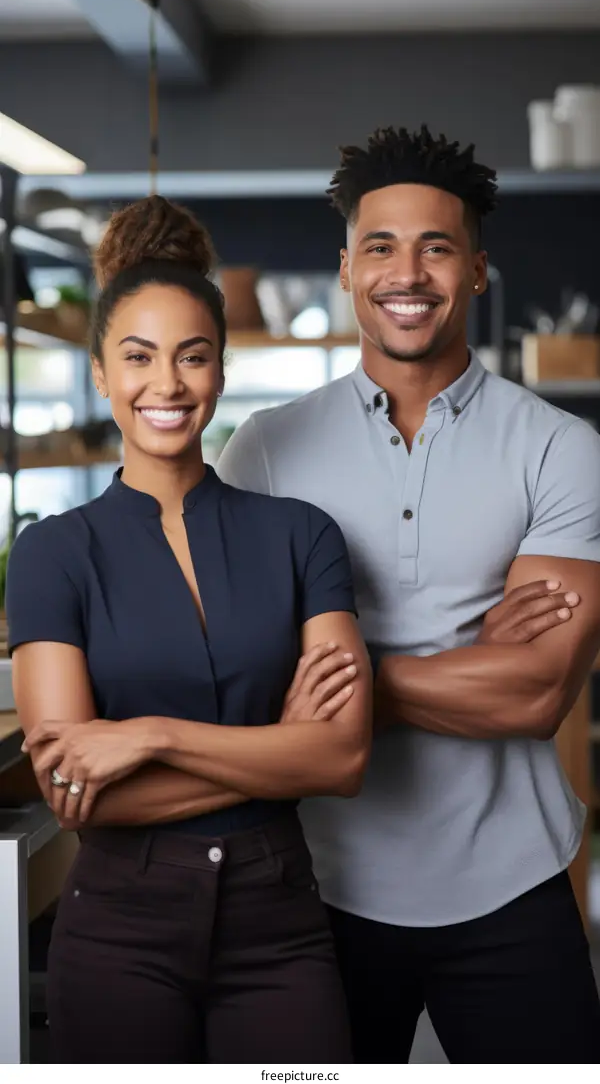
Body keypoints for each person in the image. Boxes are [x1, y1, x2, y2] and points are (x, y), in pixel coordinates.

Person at [217, 125, 600, 1064]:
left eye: (437, 246)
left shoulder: (561, 448)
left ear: (476, 269)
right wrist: (470, 660)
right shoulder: (264, 450)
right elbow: (235, 678)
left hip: (514, 883)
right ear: (346, 268)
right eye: (381, 246)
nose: (408, 272)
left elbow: (538, 692)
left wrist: (328, 692)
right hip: (313, 887)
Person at [7, 195, 372, 1065]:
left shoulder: (304, 534)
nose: (165, 385)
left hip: (281, 928)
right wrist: (279, 748)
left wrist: (148, 736)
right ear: (100, 373)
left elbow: (345, 758)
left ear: (219, 367)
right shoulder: (53, 552)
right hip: (118, 934)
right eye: (137, 357)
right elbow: (72, 789)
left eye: (191, 356)